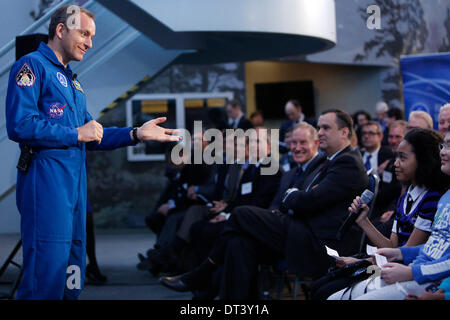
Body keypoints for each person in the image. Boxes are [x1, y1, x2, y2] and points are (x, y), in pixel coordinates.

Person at [5, 5, 180, 300]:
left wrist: (136, 133)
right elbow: (20, 125)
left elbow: (94, 134)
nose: (89, 42)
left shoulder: (73, 82)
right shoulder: (31, 66)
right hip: (47, 186)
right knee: (44, 278)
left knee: (73, 271)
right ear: (61, 30)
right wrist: (74, 133)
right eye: (84, 33)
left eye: (92, 36)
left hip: (75, 190)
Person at [160, 110, 368, 299]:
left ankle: (201, 274)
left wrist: (295, 195)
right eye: (319, 127)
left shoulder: (347, 162)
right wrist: (296, 196)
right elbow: (297, 199)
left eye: (326, 127)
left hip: (317, 243)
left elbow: (306, 201)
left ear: (344, 132)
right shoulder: (331, 161)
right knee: (238, 242)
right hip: (298, 230)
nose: (320, 131)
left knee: (242, 214)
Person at [311, 128, 448, 300]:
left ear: (423, 161)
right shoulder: (405, 197)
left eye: (403, 158)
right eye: (396, 157)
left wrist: (362, 262)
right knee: (318, 287)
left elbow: (405, 253)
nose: (395, 164)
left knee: (326, 292)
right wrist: (363, 221)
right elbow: (392, 246)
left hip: (403, 270)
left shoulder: (432, 199)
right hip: (388, 264)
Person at [359, 121, 401, 221]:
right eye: (364, 133)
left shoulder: (389, 155)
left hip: (380, 207)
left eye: (371, 133)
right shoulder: (356, 156)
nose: (366, 136)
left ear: (381, 137)